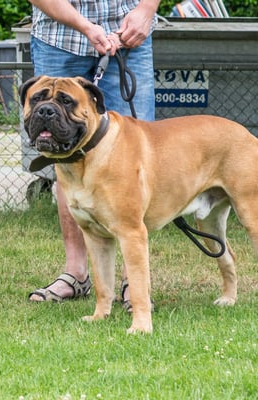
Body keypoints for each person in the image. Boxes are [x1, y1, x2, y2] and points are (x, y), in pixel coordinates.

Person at [24, 0, 158, 308]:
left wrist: (147, 9)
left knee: (134, 162)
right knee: (64, 159)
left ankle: (132, 286)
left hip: (130, 36)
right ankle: (76, 273)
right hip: (59, 37)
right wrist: (84, 26)